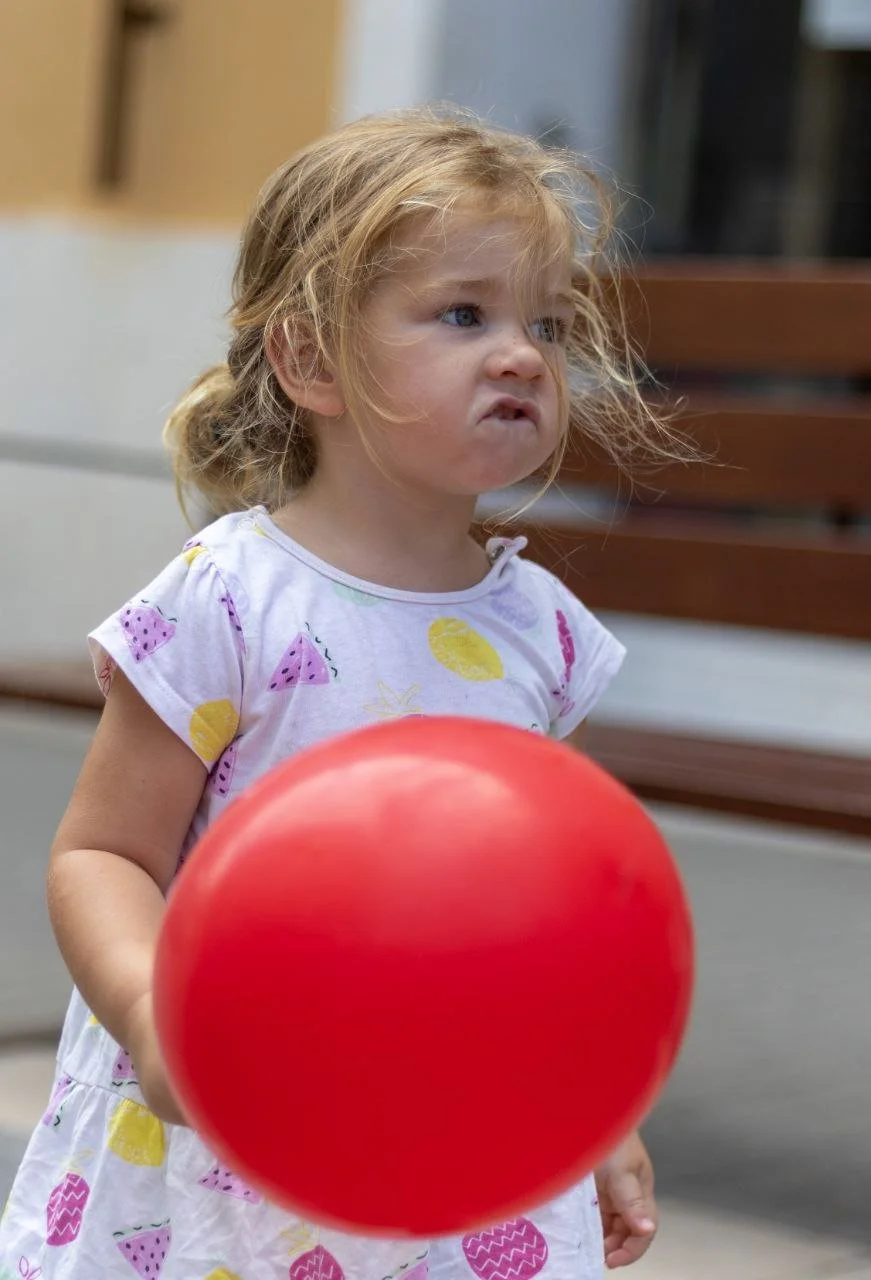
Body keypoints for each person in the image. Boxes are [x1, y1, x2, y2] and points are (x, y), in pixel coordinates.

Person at [0, 107, 673, 1279]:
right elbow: (102, 854)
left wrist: (594, 1108)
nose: (521, 353)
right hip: (240, 1123)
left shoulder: (539, 633)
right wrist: (157, 1014)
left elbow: (543, 918)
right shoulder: (231, 598)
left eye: (548, 324)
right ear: (310, 358)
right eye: (464, 314)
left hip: (456, 1138)